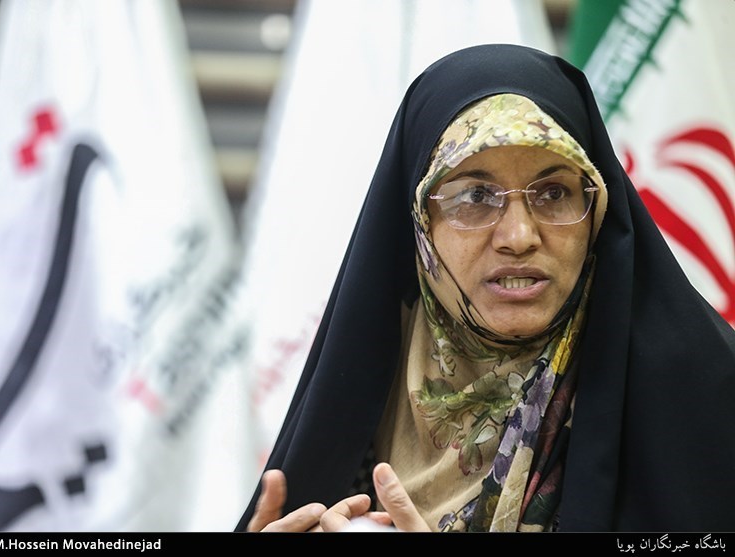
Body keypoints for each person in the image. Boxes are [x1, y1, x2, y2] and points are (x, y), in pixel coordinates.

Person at [235, 44, 735, 532]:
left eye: (554, 192)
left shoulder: (706, 396)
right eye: (475, 195)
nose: (519, 236)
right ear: (420, 224)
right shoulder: (371, 381)